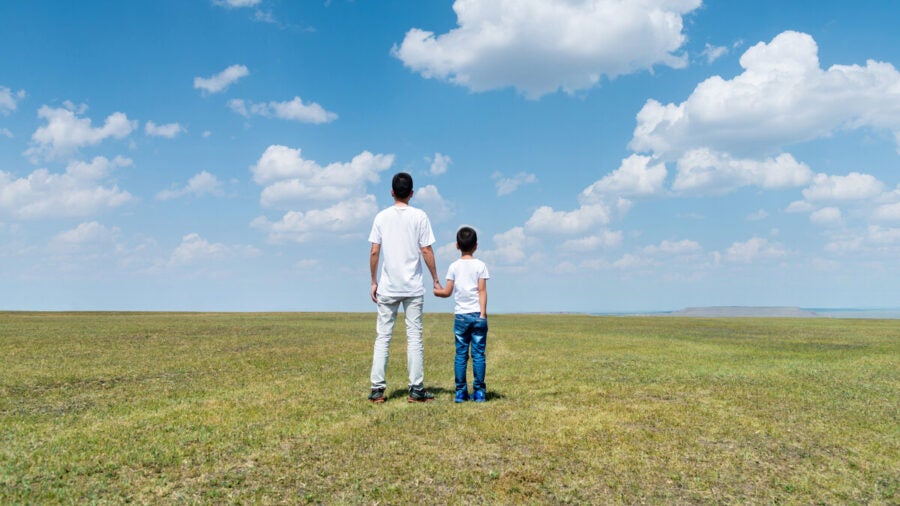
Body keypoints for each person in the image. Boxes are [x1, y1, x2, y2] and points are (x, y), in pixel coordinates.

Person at [368, 172, 441, 403]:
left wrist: (373, 281)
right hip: (412, 287)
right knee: (414, 337)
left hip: (388, 287)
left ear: (391, 192)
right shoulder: (420, 216)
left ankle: (377, 389)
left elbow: (374, 251)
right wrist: (435, 278)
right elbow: (426, 250)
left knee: (383, 337)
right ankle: (416, 389)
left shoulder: (381, 217)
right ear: (411, 193)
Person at [433, 226, 490, 403]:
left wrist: (437, 291)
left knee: (461, 355)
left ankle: (460, 392)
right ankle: (479, 392)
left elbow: (447, 292)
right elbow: (482, 291)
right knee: (478, 354)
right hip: (477, 314)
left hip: (460, 316)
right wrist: (482, 314)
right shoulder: (480, 265)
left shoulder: (454, 267)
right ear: (476, 245)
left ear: (457, 245)